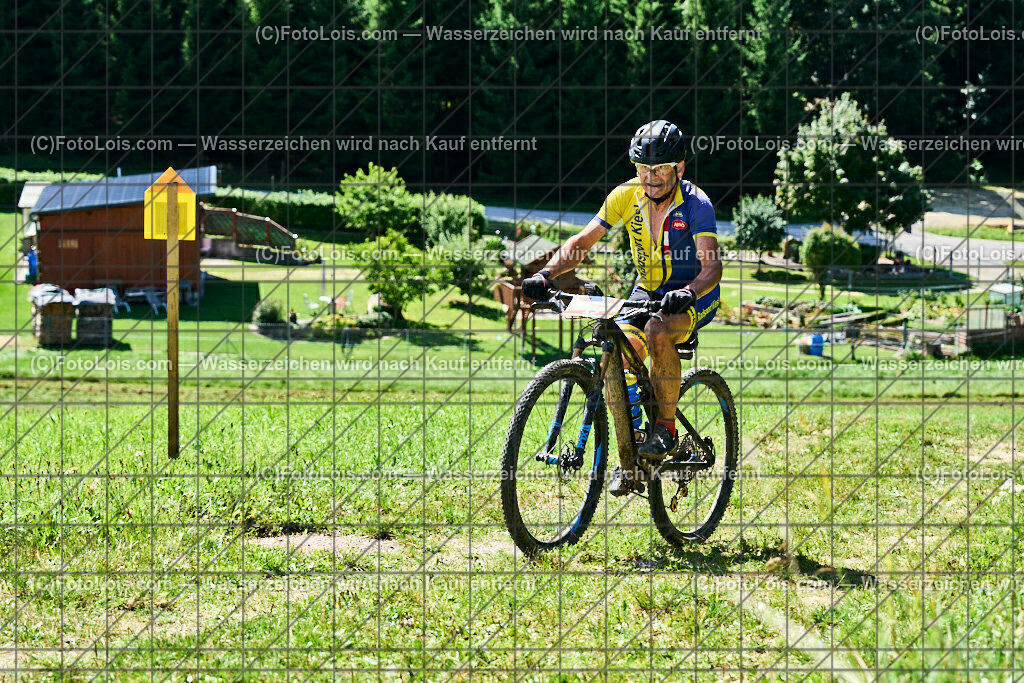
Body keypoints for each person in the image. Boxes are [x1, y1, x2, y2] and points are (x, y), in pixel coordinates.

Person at [521, 120, 723, 496]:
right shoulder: (625, 196)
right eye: (643, 168)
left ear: (679, 167)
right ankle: (631, 456)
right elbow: (583, 241)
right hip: (647, 290)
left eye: (660, 169)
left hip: (695, 293)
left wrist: (689, 292)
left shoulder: (696, 204)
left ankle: (666, 428)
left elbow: (712, 267)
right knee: (617, 354)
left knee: (658, 329)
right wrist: (546, 274)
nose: (650, 178)